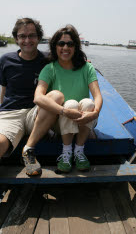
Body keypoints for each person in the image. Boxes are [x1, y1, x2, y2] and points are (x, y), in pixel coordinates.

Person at [0, 18, 63, 234]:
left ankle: (28, 150)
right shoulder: (5, 60)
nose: (27, 40)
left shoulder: (48, 61)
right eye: (22, 36)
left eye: (31, 35)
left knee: (55, 96)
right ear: (16, 39)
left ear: (38, 38)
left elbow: (71, 62)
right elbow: (4, 91)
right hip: (10, 113)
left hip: (36, 114)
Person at [33, 24, 103, 173]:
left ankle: (79, 151)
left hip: (83, 119)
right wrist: (65, 111)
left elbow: (97, 96)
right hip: (60, 121)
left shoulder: (87, 68)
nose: (65, 47)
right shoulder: (49, 68)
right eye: (61, 43)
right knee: (70, 104)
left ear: (76, 47)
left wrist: (95, 112)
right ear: (55, 46)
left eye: (70, 44)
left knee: (89, 102)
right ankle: (66, 153)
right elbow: (38, 97)